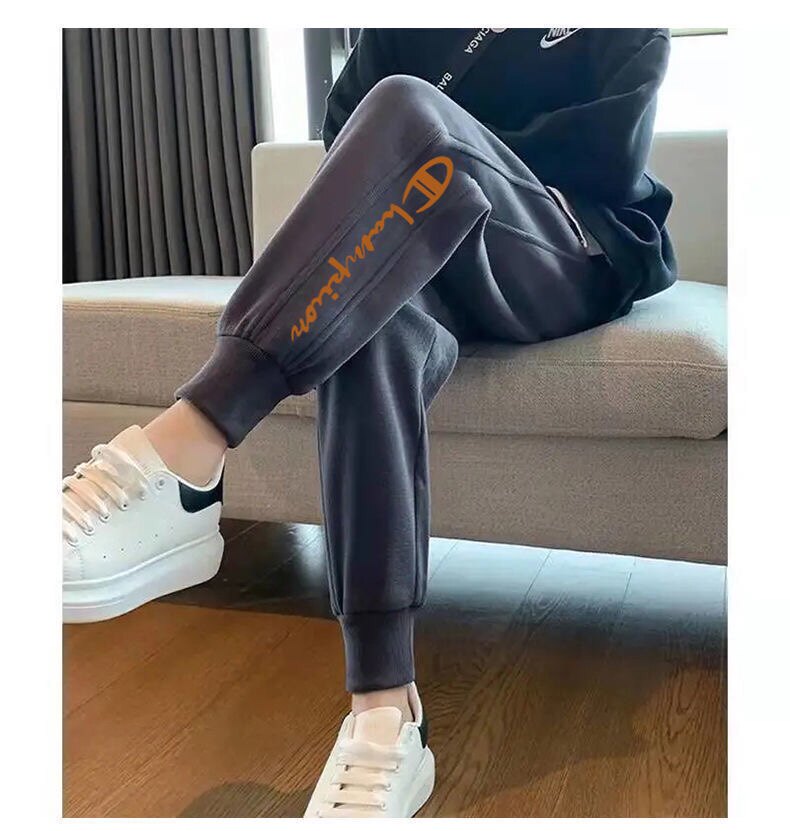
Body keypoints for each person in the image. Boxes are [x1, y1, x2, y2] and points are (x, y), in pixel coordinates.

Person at [62, 28, 676, 818]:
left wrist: (448, 142)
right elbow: (349, 138)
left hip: (564, 242)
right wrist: (419, 162)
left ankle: (190, 446)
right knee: (366, 319)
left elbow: (602, 159)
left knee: (415, 115)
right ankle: (385, 710)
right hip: (434, 233)